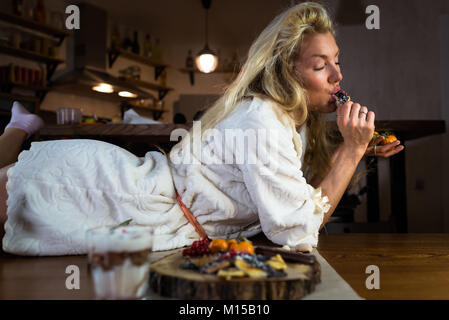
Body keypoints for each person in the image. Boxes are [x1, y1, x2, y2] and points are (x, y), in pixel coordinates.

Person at [0, 2, 403, 256]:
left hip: (144, 206)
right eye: (321, 65)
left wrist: (352, 151)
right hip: (103, 189)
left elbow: (295, 202)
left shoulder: (289, 125)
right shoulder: (262, 121)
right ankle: (16, 131)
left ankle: (18, 129)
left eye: (337, 61)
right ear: (289, 71)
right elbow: (296, 229)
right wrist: (348, 152)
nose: (338, 74)